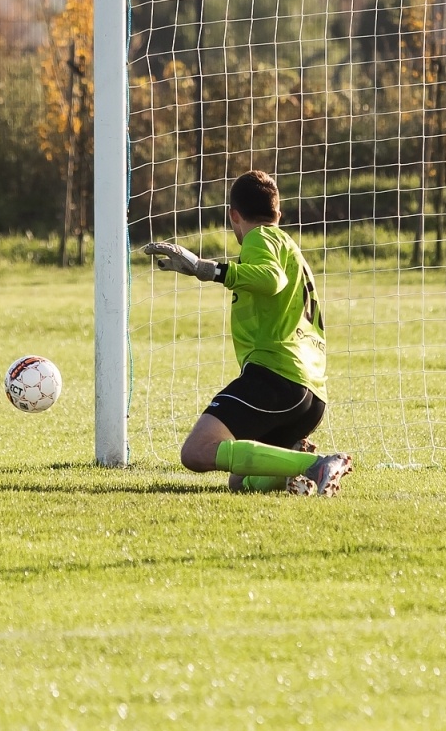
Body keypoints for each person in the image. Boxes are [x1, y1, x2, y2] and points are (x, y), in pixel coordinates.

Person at [143, 170, 352, 496]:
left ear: (234, 215)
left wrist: (206, 269)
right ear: (278, 214)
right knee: (240, 480)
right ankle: (296, 463)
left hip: (275, 378)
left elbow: (271, 280)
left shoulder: (260, 238)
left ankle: (315, 466)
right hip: (311, 395)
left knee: (197, 451)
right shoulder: (290, 247)